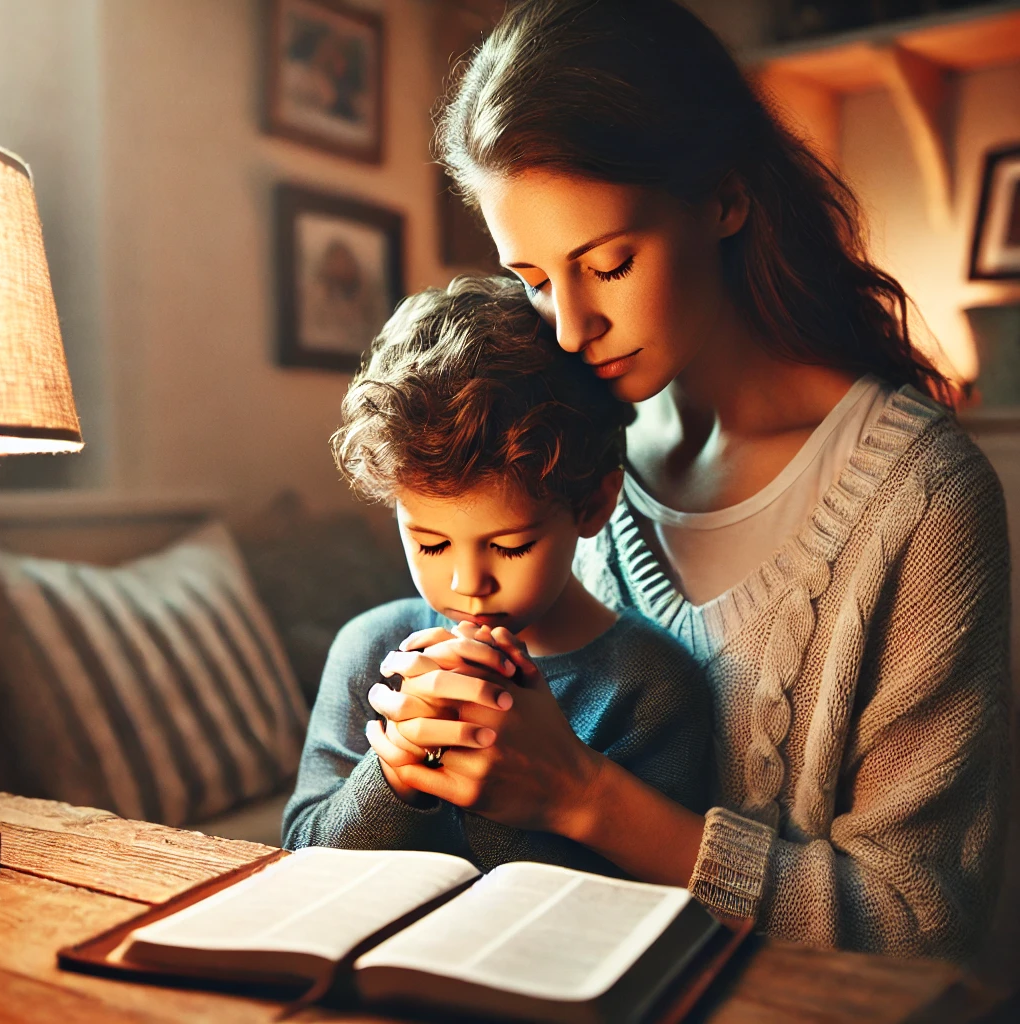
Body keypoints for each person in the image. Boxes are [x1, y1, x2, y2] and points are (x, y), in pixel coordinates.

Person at [364, 0, 1011, 960]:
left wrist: (584, 797)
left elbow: (921, 924)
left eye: (610, 263)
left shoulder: (920, 498)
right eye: (536, 279)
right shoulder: (563, 456)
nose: (572, 328)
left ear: (722, 198)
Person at [281, 275, 713, 873]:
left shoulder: (650, 687)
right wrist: (393, 775)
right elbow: (298, 852)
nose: (467, 584)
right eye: (430, 543)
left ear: (591, 506)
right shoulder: (370, 652)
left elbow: (634, 905)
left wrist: (511, 788)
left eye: (510, 547)